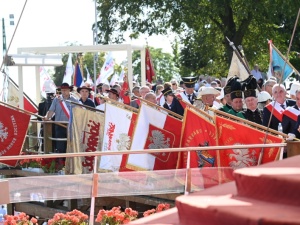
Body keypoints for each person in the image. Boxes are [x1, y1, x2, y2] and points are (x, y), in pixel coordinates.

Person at [44, 83, 79, 154]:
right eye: (62, 90)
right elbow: (51, 110)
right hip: (59, 125)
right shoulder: (57, 100)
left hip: (70, 126)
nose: (64, 92)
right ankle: (60, 162)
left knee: (70, 145)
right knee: (60, 145)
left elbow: (79, 112)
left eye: (66, 90)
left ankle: (69, 162)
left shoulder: (74, 100)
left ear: (69, 90)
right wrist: (47, 117)